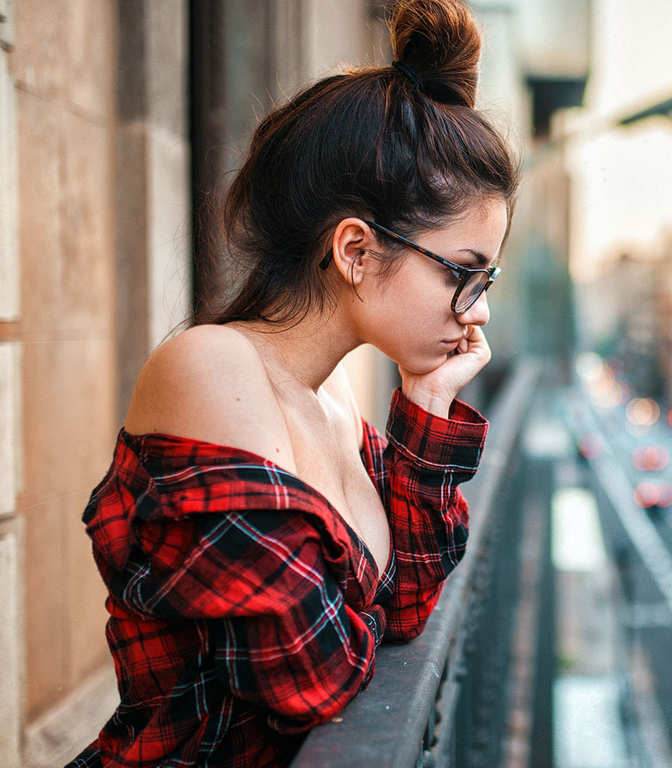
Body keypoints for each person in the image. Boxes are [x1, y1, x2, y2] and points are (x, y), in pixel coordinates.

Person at [67, 0, 517, 765]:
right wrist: (361, 617)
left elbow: (405, 607)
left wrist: (427, 405)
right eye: (463, 275)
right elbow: (310, 678)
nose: (475, 313)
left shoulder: (335, 393)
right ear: (355, 250)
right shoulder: (210, 369)